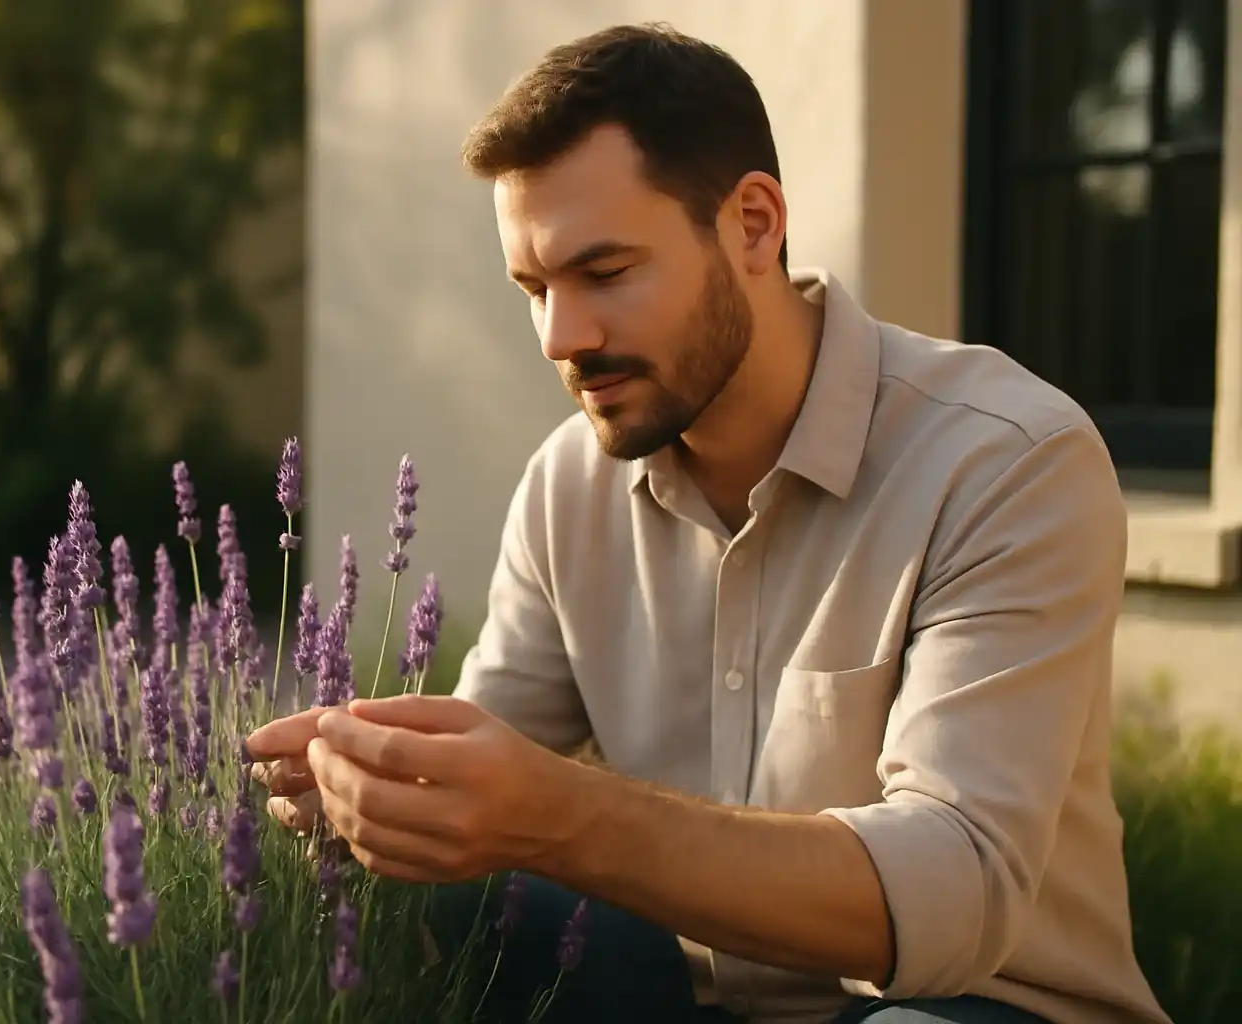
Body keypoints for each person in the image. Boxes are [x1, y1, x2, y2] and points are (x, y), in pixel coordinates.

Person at [244, 22, 1173, 1024]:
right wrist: (382, 797)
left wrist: (563, 814)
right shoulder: (569, 486)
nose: (562, 336)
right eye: (535, 289)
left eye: (605, 272)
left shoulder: (1003, 460)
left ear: (754, 226)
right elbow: (488, 796)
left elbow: (955, 892)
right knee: (481, 922)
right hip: (685, 1004)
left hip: (970, 1006)